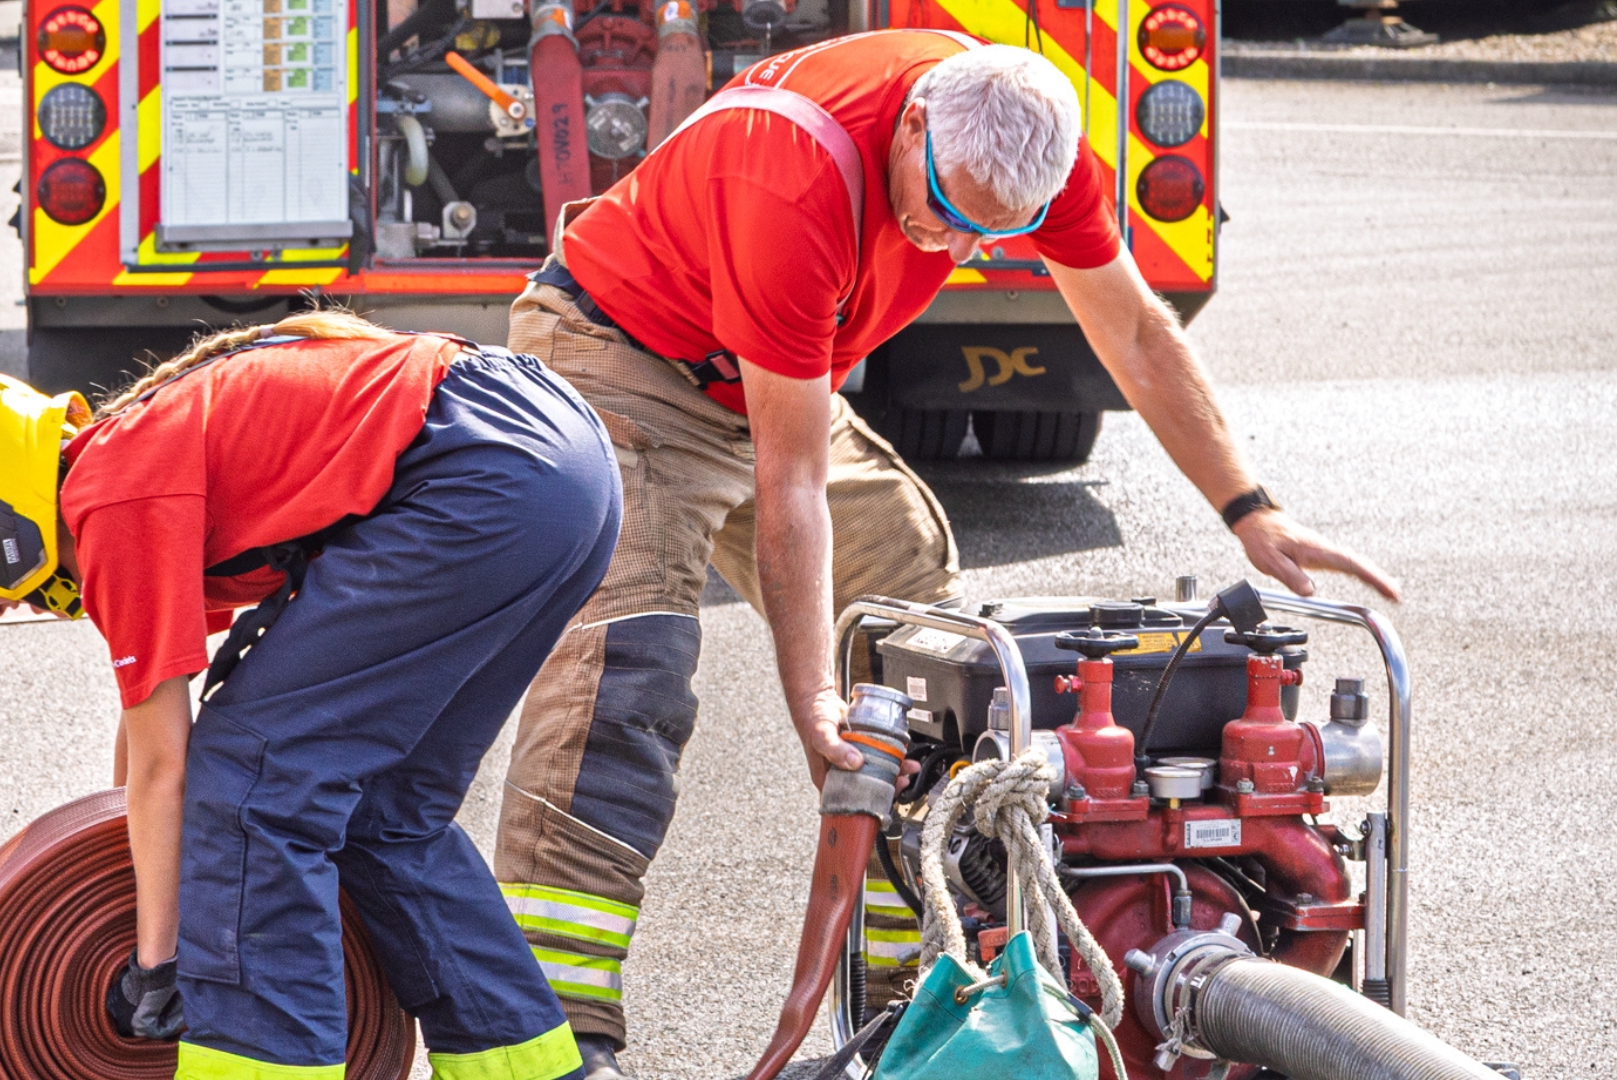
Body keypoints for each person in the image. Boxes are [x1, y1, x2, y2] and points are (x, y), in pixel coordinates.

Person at [492, 31, 1401, 1080]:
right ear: (914, 120)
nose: (958, 244)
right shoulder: (793, 176)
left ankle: (909, 1007)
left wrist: (1250, 507)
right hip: (629, 360)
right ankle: (550, 1044)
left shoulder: (1024, 140)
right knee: (627, 672)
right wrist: (815, 709)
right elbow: (790, 488)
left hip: (776, 384)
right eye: (946, 211)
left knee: (937, 665)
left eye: (989, 233)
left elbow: (1137, 339)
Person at [0, 311, 623, 1080]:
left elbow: (168, 772)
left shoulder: (112, 497)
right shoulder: (128, 463)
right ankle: (537, 1070)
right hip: (555, 465)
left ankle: (265, 1062)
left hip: (481, 481)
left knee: (255, 782)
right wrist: (137, 884)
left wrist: (158, 965)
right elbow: (153, 728)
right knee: (385, 813)